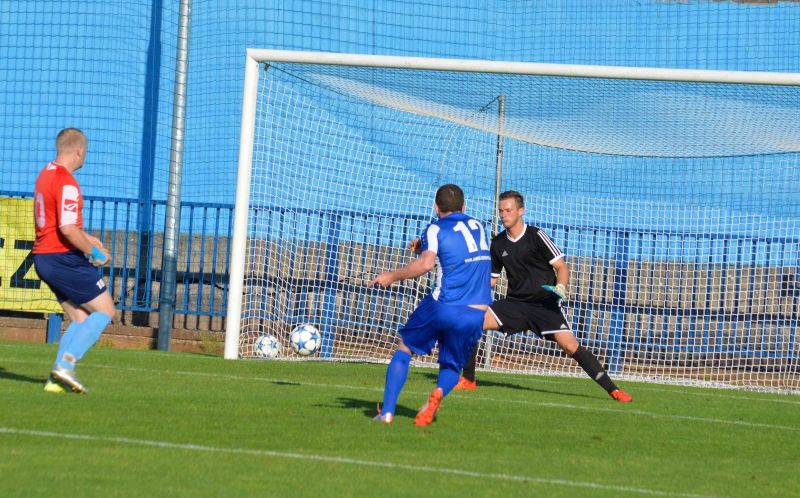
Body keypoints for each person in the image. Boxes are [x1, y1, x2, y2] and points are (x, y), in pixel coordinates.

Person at [456, 190, 632, 403]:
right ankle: (468, 379)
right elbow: (492, 280)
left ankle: (614, 390)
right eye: (501, 211)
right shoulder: (498, 243)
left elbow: (561, 267)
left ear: (521, 211)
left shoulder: (536, 236)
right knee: (472, 320)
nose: (503, 215)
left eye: (508, 210)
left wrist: (561, 286)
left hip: (543, 306)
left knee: (570, 346)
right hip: (516, 304)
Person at [371, 184, 492, 426]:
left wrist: (391, 276)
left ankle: (386, 413)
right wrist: (426, 246)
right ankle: (435, 396)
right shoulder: (479, 226)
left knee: (405, 347)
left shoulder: (435, 227)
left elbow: (426, 265)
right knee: (451, 364)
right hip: (476, 311)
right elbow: (456, 251)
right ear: (464, 207)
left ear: (436, 207)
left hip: (444, 305)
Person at [33, 128, 115, 394]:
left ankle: (55, 381)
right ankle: (67, 365)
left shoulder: (46, 174)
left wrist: (87, 238)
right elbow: (67, 230)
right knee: (105, 311)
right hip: (64, 258)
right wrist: (95, 253)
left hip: (44, 258)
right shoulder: (68, 183)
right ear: (79, 150)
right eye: (85, 152)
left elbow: (59, 223)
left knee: (80, 318)